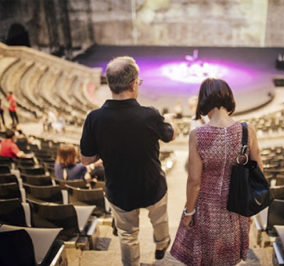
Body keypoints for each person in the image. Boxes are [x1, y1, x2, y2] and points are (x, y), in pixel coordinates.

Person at [80, 56, 176, 266]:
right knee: (159, 220)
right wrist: (170, 121)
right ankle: (161, 245)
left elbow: (86, 159)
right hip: (152, 185)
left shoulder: (94, 118)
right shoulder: (150, 115)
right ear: (134, 84)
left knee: (127, 234)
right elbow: (171, 136)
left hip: (119, 189)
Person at [171, 78, 263, 265]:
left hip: (206, 208)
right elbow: (258, 172)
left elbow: (194, 181)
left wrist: (189, 212)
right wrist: (251, 209)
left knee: (207, 256)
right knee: (229, 256)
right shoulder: (247, 130)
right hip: (237, 205)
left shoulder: (197, 135)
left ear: (203, 101)